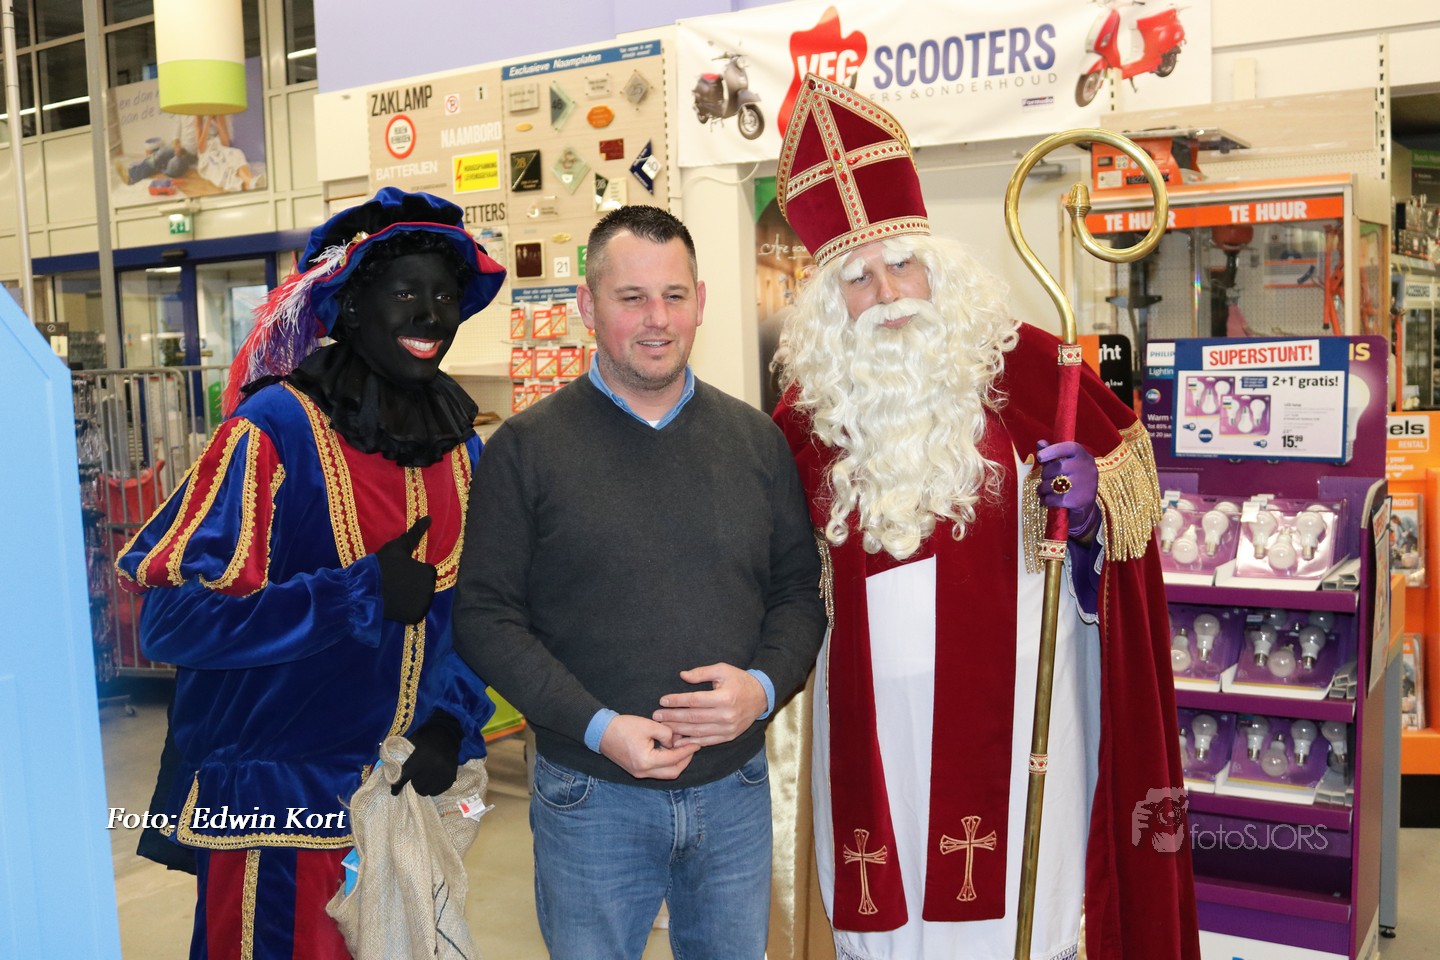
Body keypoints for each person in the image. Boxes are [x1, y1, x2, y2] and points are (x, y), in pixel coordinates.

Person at [769, 75, 1200, 960]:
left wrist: (1090, 513)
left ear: (940, 266)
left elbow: (1131, 518)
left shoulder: (1038, 371)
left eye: (903, 264)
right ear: (827, 305)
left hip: (1020, 739)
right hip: (870, 740)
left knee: (1018, 923)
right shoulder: (802, 424)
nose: (889, 292)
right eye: (858, 278)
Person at [116, 187, 507, 958]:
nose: (431, 314)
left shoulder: (461, 448)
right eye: (406, 293)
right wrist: (354, 596)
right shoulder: (274, 430)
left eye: (444, 295)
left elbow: (470, 614)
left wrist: (450, 723)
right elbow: (172, 618)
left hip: (398, 803)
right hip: (275, 809)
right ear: (351, 306)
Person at [452, 204, 828, 959]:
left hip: (734, 792)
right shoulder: (526, 449)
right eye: (632, 298)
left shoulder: (756, 442)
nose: (658, 319)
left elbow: (798, 593)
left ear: (701, 301)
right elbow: (485, 618)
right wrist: (600, 727)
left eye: (674, 295)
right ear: (588, 306)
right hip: (591, 796)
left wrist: (760, 688)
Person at [117, 113, 197, 184]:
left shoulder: (201, 112)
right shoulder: (183, 109)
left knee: (172, 167)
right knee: (158, 155)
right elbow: (177, 129)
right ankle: (131, 176)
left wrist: (183, 152)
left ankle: (160, 166)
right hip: (180, 146)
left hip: (190, 153)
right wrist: (176, 143)